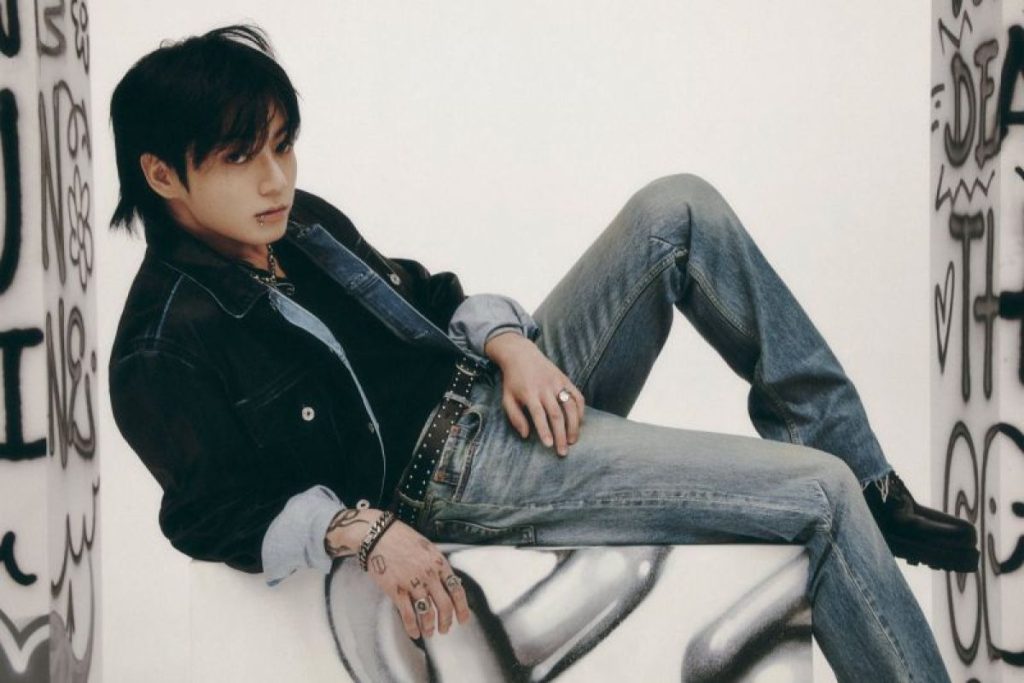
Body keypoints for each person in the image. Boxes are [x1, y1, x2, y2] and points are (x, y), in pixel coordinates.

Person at [107, 24, 971, 681]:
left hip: (496, 389)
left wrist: (510, 341)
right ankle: (852, 501)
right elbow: (210, 513)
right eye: (240, 157)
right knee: (815, 494)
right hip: (460, 477)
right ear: (162, 174)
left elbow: (427, 297)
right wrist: (364, 531)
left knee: (678, 209)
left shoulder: (298, 224)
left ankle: (876, 488)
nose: (276, 178)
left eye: (283, 145)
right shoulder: (161, 344)